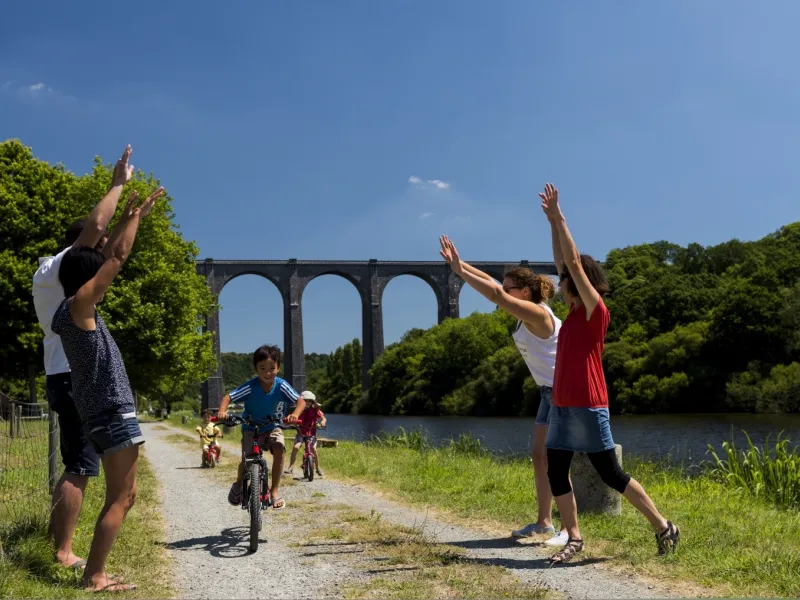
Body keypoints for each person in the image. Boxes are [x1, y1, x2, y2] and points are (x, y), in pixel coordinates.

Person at [539, 182, 680, 563]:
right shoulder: (573, 313)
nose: (559, 281)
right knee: (556, 471)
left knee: (611, 473)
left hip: (588, 403)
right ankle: (574, 538)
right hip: (562, 404)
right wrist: (551, 224)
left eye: (564, 279)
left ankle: (664, 526)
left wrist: (560, 218)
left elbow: (571, 262)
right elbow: (563, 261)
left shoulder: (594, 309)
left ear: (578, 281)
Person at [51, 183, 165, 592]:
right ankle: (95, 576)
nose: (106, 274)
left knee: (121, 494)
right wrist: (136, 219)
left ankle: (94, 573)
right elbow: (116, 256)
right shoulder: (81, 305)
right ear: (89, 279)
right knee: (123, 496)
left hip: (100, 412)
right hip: (112, 412)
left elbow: (107, 253)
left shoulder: (67, 309)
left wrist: (131, 217)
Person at [32, 144, 133, 573]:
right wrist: (117, 185)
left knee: (79, 462)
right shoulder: (60, 270)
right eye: (95, 249)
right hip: (75, 379)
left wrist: (133, 215)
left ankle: (61, 542)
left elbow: (108, 247)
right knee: (80, 464)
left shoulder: (55, 278)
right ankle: (64, 551)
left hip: (63, 375)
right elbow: (98, 228)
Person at [438, 235, 568, 548]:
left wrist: (460, 271)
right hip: (547, 393)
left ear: (524, 292)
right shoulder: (528, 311)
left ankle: (568, 528)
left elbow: (495, 292)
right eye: (506, 287)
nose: (504, 292)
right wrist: (460, 265)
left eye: (510, 289)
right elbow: (494, 285)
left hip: (563, 393)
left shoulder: (538, 314)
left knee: (558, 460)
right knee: (539, 457)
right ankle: (544, 522)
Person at [217, 345, 305, 511]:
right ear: (256, 369)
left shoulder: (281, 386)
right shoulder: (251, 386)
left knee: (279, 448)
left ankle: (274, 491)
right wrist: (222, 412)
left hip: (273, 425)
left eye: (272, 368)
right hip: (251, 426)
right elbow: (228, 397)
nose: (267, 372)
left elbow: (300, 401)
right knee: (247, 459)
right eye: (262, 368)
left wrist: (295, 415)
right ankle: (238, 484)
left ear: (278, 368)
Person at [285, 391, 327, 477]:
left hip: (311, 433)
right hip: (301, 432)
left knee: (313, 449)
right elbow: (292, 416)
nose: (307, 402)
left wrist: (323, 422)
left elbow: (323, 418)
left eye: (309, 401)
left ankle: (318, 468)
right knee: (296, 447)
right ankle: (290, 467)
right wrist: (290, 421)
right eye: (305, 400)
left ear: (312, 402)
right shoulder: (299, 410)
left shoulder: (315, 410)